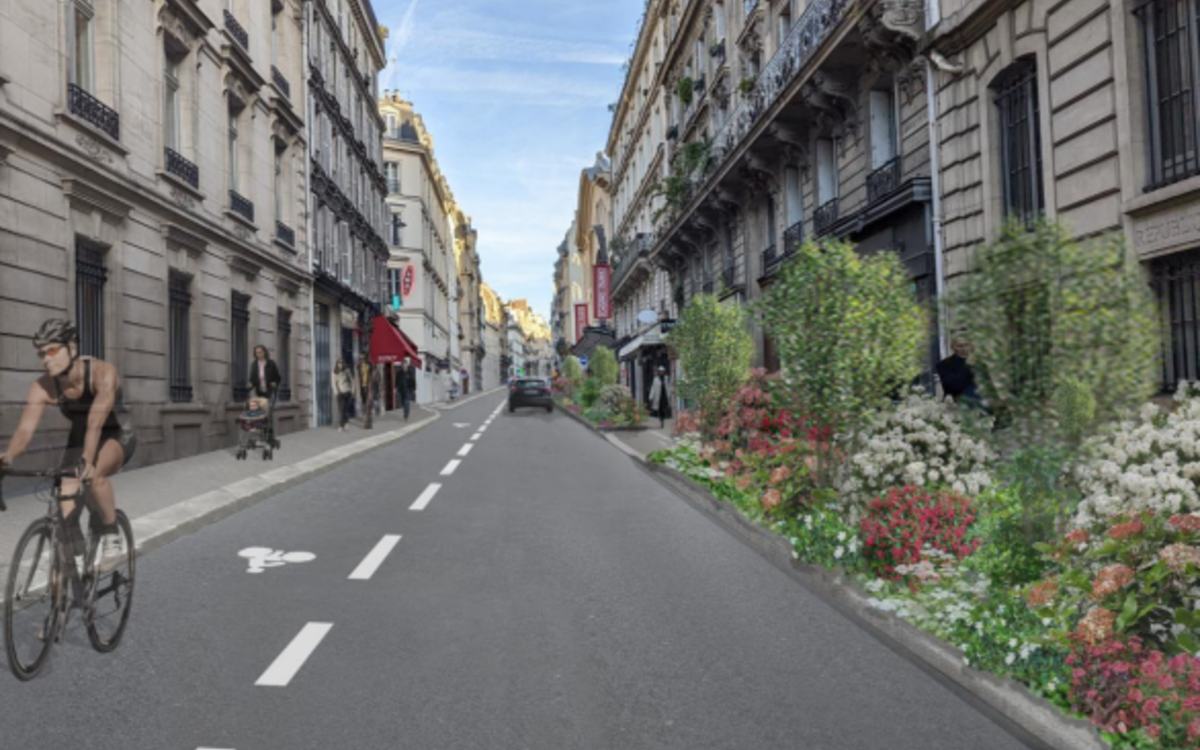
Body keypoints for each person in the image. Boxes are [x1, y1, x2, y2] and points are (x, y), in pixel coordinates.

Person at [0, 319, 136, 559]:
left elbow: (95, 423)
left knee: (93, 474)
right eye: (41, 354)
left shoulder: (102, 373)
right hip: (79, 438)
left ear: (72, 348)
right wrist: (8, 457)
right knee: (65, 508)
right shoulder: (43, 387)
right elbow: (25, 430)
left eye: (52, 351)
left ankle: (111, 532)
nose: (46, 359)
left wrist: (86, 460)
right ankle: (70, 565)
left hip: (115, 433)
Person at [936, 337, 982, 406]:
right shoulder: (944, 364)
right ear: (952, 347)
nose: (963, 349)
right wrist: (968, 366)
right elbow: (953, 386)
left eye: (966, 345)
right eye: (960, 346)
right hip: (957, 401)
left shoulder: (979, 363)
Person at [333, 358, 354, 431]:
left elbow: (352, 381)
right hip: (340, 393)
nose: (340, 364)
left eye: (341, 363)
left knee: (344, 409)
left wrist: (352, 390)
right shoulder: (334, 372)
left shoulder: (347, 371)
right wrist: (336, 392)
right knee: (341, 409)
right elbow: (333, 383)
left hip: (347, 392)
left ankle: (344, 424)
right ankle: (342, 425)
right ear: (337, 364)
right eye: (339, 363)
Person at [397, 357, 417, 421]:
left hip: (408, 389)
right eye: (403, 364)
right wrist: (395, 388)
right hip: (401, 390)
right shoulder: (399, 373)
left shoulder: (410, 372)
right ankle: (405, 412)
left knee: (407, 402)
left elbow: (413, 380)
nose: (404, 365)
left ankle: (406, 414)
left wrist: (414, 388)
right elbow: (396, 381)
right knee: (403, 403)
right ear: (402, 365)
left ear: (407, 365)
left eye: (405, 364)